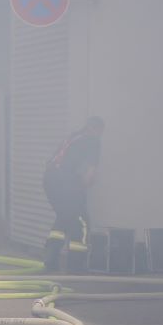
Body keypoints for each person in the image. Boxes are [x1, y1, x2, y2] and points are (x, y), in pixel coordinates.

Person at [43, 116, 104, 272]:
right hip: (66, 182)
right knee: (81, 221)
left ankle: (50, 260)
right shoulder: (93, 140)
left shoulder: (74, 136)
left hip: (50, 179)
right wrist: (82, 187)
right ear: (97, 129)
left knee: (64, 216)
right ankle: (75, 268)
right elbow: (90, 175)